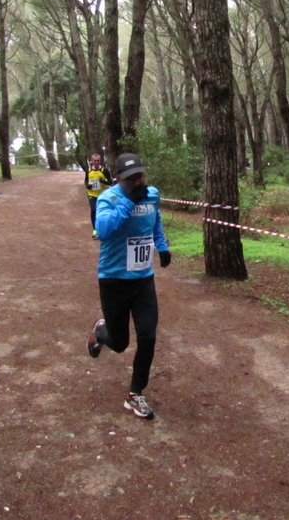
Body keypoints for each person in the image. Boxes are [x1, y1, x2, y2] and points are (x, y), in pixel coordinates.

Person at [86, 153, 172, 420]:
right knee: (121, 343)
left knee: (148, 337)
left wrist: (163, 246)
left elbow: (154, 221)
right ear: (118, 178)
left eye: (140, 176)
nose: (138, 182)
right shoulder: (108, 198)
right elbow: (103, 229)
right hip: (113, 280)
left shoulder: (151, 195)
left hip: (143, 280)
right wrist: (127, 202)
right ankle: (102, 333)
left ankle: (135, 394)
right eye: (131, 178)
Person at [84, 153, 113, 239]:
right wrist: (87, 186)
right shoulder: (88, 170)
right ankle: (95, 230)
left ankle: (103, 229)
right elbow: (86, 181)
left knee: (102, 212)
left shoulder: (104, 170)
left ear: (100, 161)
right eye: (94, 161)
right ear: (92, 161)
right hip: (91, 194)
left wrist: (103, 181)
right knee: (94, 210)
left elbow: (110, 182)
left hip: (102, 195)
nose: (96, 162)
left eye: (98, 161)